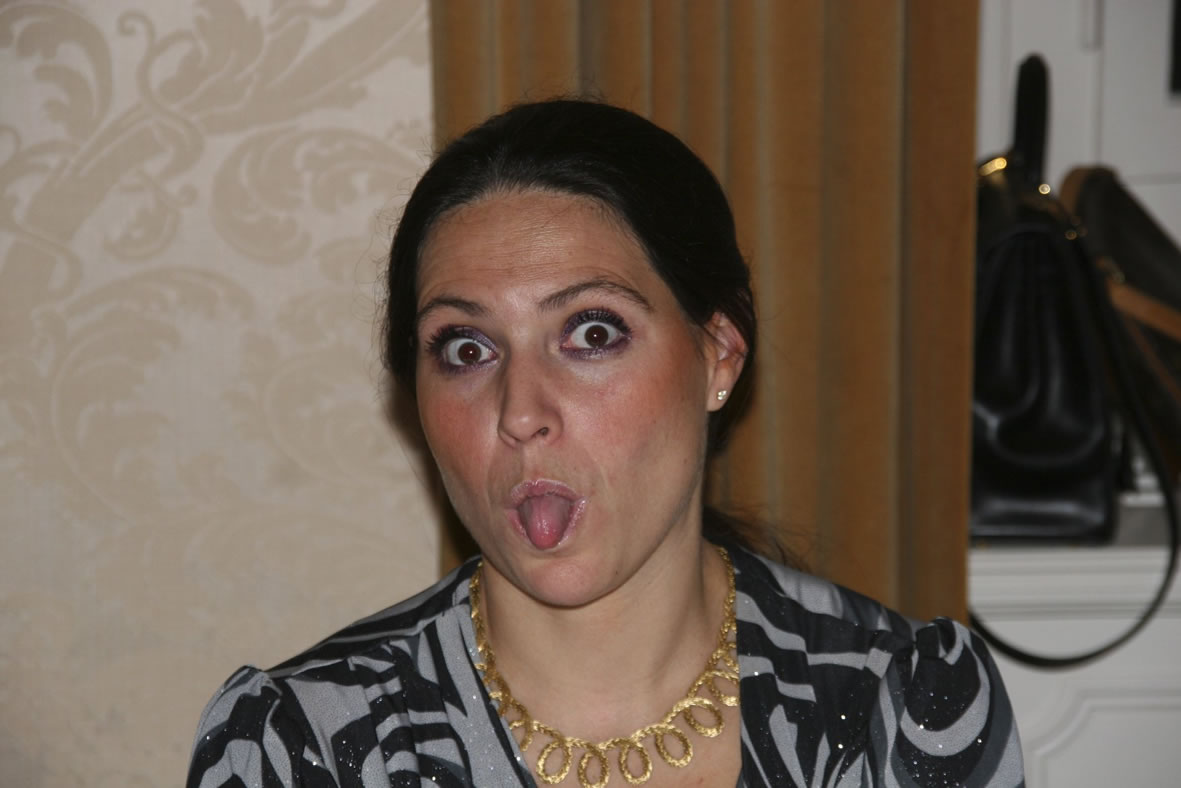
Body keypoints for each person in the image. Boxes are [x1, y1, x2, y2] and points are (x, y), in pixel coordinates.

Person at [187, 99, 1025, 788]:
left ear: (717, 356)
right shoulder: (305, 746)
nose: (520, 411)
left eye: (591, 333)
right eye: (467, 350)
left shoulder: (900, 706)